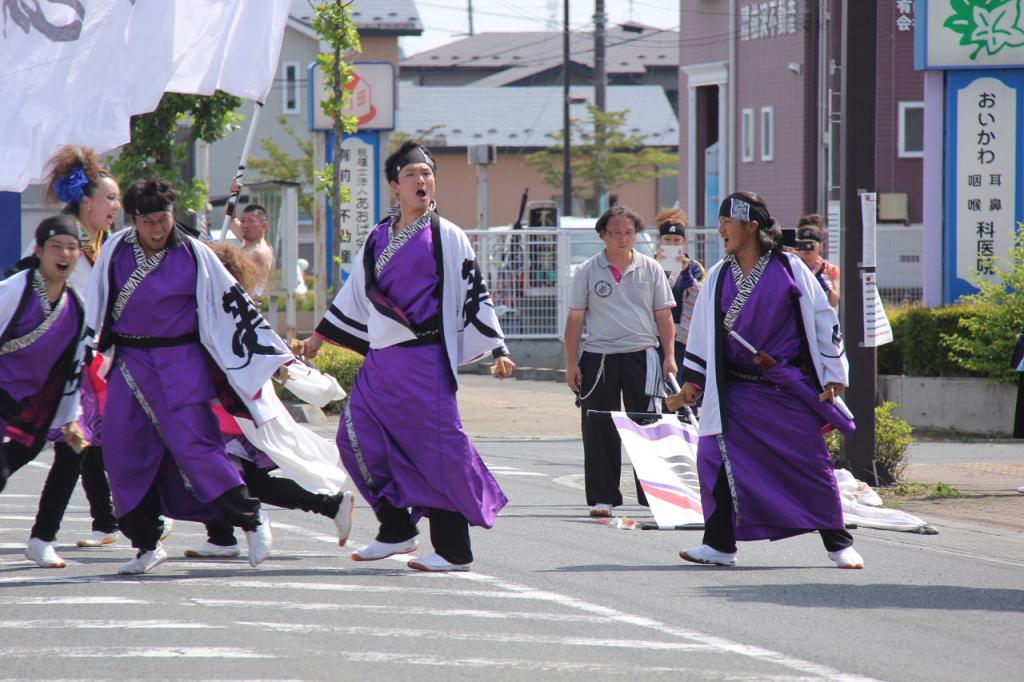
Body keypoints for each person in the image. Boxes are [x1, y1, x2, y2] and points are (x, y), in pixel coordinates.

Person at [303, 140, 516, 572]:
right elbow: (354, 295)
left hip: (425, 359)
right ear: (394, 186)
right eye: (412, 174)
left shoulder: (447, 235)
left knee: (435, 451)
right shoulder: (378, 236)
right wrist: (316, 341)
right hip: (382, 361)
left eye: (427, 173)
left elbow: (475, 290)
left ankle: (455, 550)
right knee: (354, 439)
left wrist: (497, 348)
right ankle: (396, 528)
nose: (422, 180)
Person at [86, 178, 292, 575]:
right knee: (122, 450)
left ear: (173, 215)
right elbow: (97, 307)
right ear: (134, 220)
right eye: (148, 221)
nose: (158, 229)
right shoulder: (115, 249)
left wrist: (276, 358)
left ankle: (251, 518)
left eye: (163, 219)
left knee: (196, 446)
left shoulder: (195, 254)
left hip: (182, 359)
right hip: (131, 362)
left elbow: (236, 307)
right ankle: (146, 541)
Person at [673, 192, 864, 569]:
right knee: (715, 459)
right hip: (734, 392)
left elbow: (824, 320)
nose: (721, 228)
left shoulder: (790, 268)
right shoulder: (719, 275)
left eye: (728, 221)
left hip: (783, 387)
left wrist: (832, 375)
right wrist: (694, 380)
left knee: (808, 463)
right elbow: (701, 333)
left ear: (752, 226)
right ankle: (719, 544)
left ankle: (838, 542)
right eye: (721, 220)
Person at [184, 241, 353, 558]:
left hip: (234, 408)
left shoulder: (229, 309)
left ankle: (224, 535)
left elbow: (266, 351)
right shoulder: (211, 305)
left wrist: (293, 373)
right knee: (238, 477)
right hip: (225, 406)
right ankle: (222, 535)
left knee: (222, 473)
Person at [16, 147, 122, 569]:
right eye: (110, 198)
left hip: (84, 365)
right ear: (86, 200)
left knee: (81, 445)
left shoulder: (104, 245)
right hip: (46, 367)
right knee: (27, 448)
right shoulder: (57, 242)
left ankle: (71, 530)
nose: (117, 207)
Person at [564, 205, 677, 518]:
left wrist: (669, 355)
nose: (623, 238)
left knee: (649, 424)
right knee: (599, 426)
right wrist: (571, 363)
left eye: (629, 233)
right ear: (603, 235)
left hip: (642, 354)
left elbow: (664, 315)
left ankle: (654, 494)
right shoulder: (587, 270)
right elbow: (575, 320)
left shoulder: (651, 268)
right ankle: (603, 497)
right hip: (598, 356)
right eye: (616, 233)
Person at [1, 217, 87, 508]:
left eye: (71, 247)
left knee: (29, 447)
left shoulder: (75, 307)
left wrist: (70, 417)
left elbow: (70, 367)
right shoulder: (15, 290)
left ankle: (42, 540)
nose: (64, 254)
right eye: (56, 246)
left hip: (26, 404)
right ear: (38, 251)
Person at [654, 207, 705, 363]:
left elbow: (697, 295)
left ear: (684, 242)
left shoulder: (694, 267)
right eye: (667, 239)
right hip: (654, 335)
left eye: (676, 240)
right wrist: (657, 266)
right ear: (660, 240)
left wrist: (685, 272)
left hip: (684, 336)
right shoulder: (649, 265)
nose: (672, 243)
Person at [229, 202, 275, 299]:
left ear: (264, 225)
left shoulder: (259, 252)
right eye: (243, 220)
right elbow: (230, 218)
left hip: (246, 307)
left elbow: (242, 283)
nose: (245, 225)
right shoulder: (248, 240)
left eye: (251, 221)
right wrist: (234, 195)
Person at [792, 214, 840, 307]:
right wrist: (813, 273)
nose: (807, 248)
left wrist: (819, 277)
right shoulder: (793, 267)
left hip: (825, 318)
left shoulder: (831, 270)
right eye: (804, 244)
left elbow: (834, 301)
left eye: (811, 244)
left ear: (821, 246)